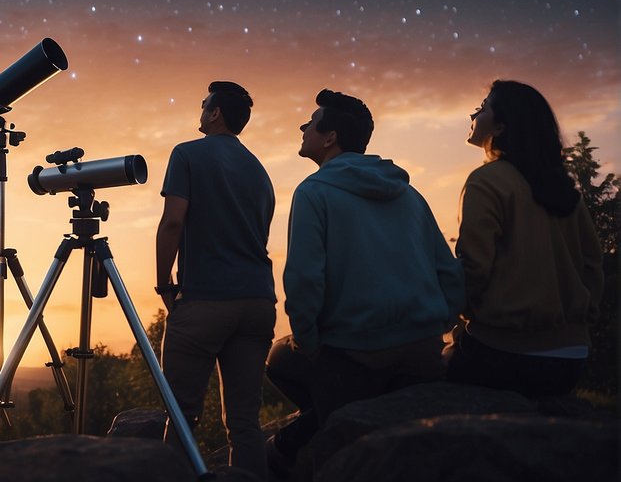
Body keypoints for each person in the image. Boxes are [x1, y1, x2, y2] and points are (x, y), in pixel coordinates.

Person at [265, 89, 463, 474]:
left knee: (278, 358)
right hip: (422, 348)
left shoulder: (314, 192)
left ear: (330, 137)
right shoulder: (409, 193)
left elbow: (305, 280)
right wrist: (438, 326)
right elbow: (449, 272)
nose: (302, 128)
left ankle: (293, 447)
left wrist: (307, 338)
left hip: (358, 351)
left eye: (310, 122)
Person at [446, 79, 603, 397]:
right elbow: (592, 268)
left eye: (484, 107)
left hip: (505, 353)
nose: (473, 114)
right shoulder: (565, 190)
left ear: (501, 126)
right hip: (572, 357)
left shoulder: (486, 181)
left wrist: (456, 316)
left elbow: (474, 268)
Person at [155, 81, 276, 480]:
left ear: (215, 113)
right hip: (257, 302)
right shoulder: (259, 172)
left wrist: (164, 284)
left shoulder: (187, 154)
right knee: (244, 422)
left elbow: (173, 220)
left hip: (206, 299)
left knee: (182, 414)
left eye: (204, 104)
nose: (201, 109)